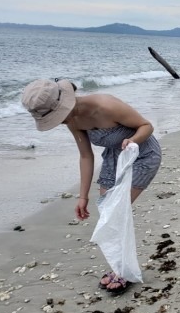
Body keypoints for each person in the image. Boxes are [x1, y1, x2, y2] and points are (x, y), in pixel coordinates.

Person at [21, 78, 161, 294]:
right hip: (114, 158)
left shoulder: (106, 105)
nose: (59, 122)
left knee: (116, 213)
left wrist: (133, 140)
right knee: (107, 212)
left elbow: (146, 126)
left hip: (142, 155)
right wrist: (82, 196)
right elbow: (86, 156)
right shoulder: (72, 120)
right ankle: (119, 266)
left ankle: (124, 272)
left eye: (56, 116)